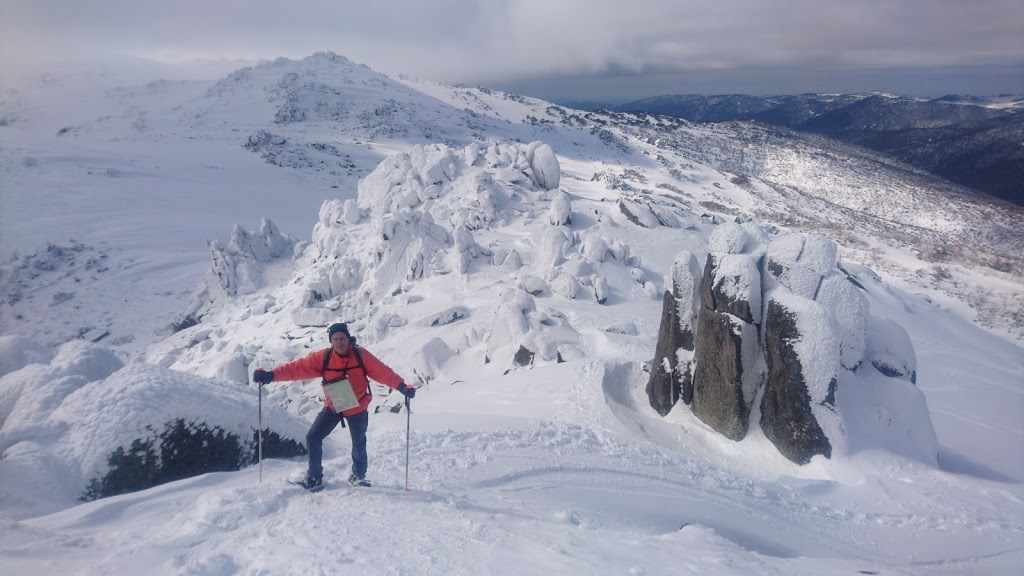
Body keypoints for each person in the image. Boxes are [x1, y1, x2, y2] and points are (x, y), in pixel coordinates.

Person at [253, 322, 414, 492]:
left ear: (348, 339)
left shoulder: (360, 355)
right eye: (336, 339)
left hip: (357, 407)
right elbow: (297, 368)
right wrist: (271, 376)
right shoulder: (324, 358)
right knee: (313, 437)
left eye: (342, 338)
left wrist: (401, 386)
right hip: (334, 405)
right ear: (331, 341)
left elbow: (382, 371)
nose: (340, 343)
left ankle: (358, 475)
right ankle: (314, 477)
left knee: (358, 442)